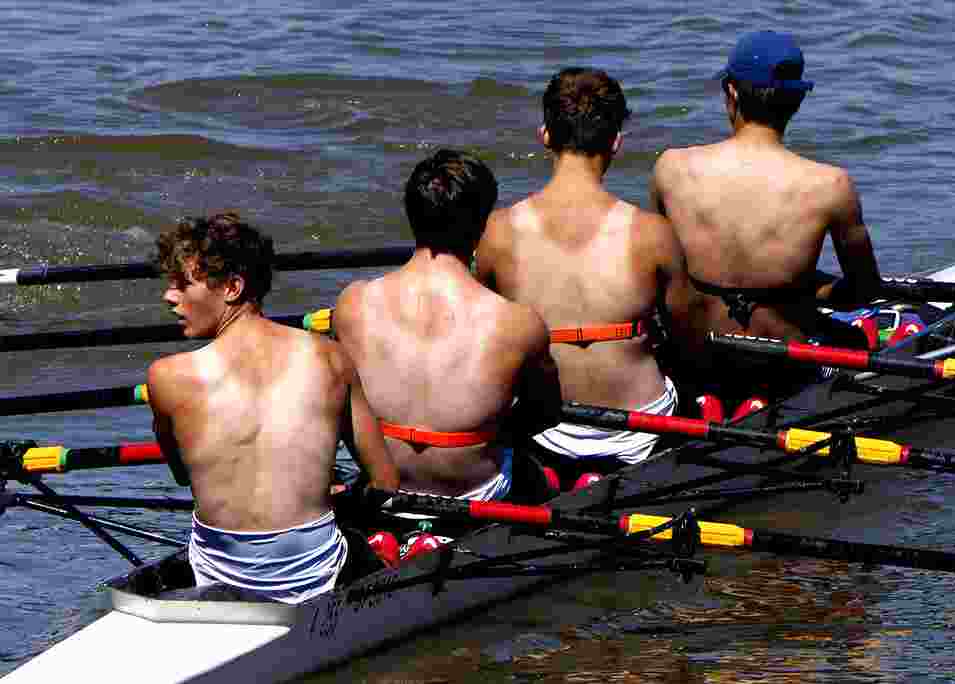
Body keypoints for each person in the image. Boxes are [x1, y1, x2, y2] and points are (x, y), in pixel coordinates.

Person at [147, 212, 398, 604]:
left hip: (217, 573)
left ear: (232, 287)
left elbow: (182, 475)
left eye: (183, 284)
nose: (169, 296)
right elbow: (384, 482)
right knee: (364, 525)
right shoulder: (330, 357)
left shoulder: (166, 377)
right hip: (316, 573)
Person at [474, 68, 696, 483]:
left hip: (545, 431)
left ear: (544, 135)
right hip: (641, 432)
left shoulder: (496, 232)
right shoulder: (653, 233)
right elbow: (688, 338)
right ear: (616, 142)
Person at [649, 31, 882, 418]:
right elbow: (864, 290)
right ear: (798, 100)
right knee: (854, 335)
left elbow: (656, 277)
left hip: (700, 360)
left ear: (732, 91)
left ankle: (707, 403)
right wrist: (807, 287)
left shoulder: (671, 168)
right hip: (780, 366)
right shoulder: (831, 185)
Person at [333, 150, 560, 502]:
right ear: (482, 225)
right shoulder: (518, 323)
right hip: (475, 493)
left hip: (385, 486)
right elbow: (545, 411)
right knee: (531, 470)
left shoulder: (352, 304)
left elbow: (345, 414)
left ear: (412, 215)